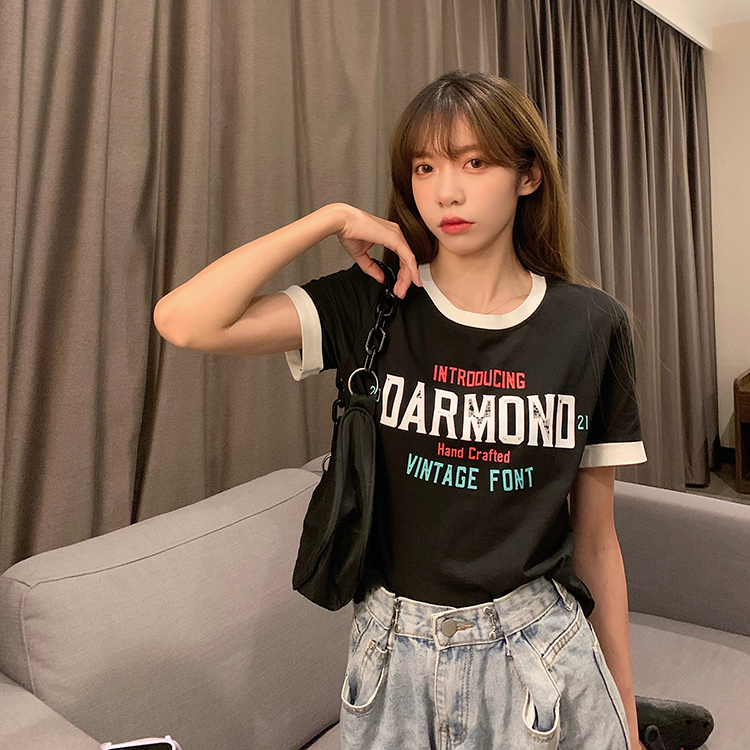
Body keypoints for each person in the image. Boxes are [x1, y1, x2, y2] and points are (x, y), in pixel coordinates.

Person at [154, 70, 649, 750]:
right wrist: (331, 218)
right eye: (425, 167)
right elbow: (183, 321)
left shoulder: (591, 325)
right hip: (394, 656)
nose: (447, 192)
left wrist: (626, 713)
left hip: (540, 651)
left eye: (475, 162)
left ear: (528, 176)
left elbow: (596, 540)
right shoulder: (375, 302)